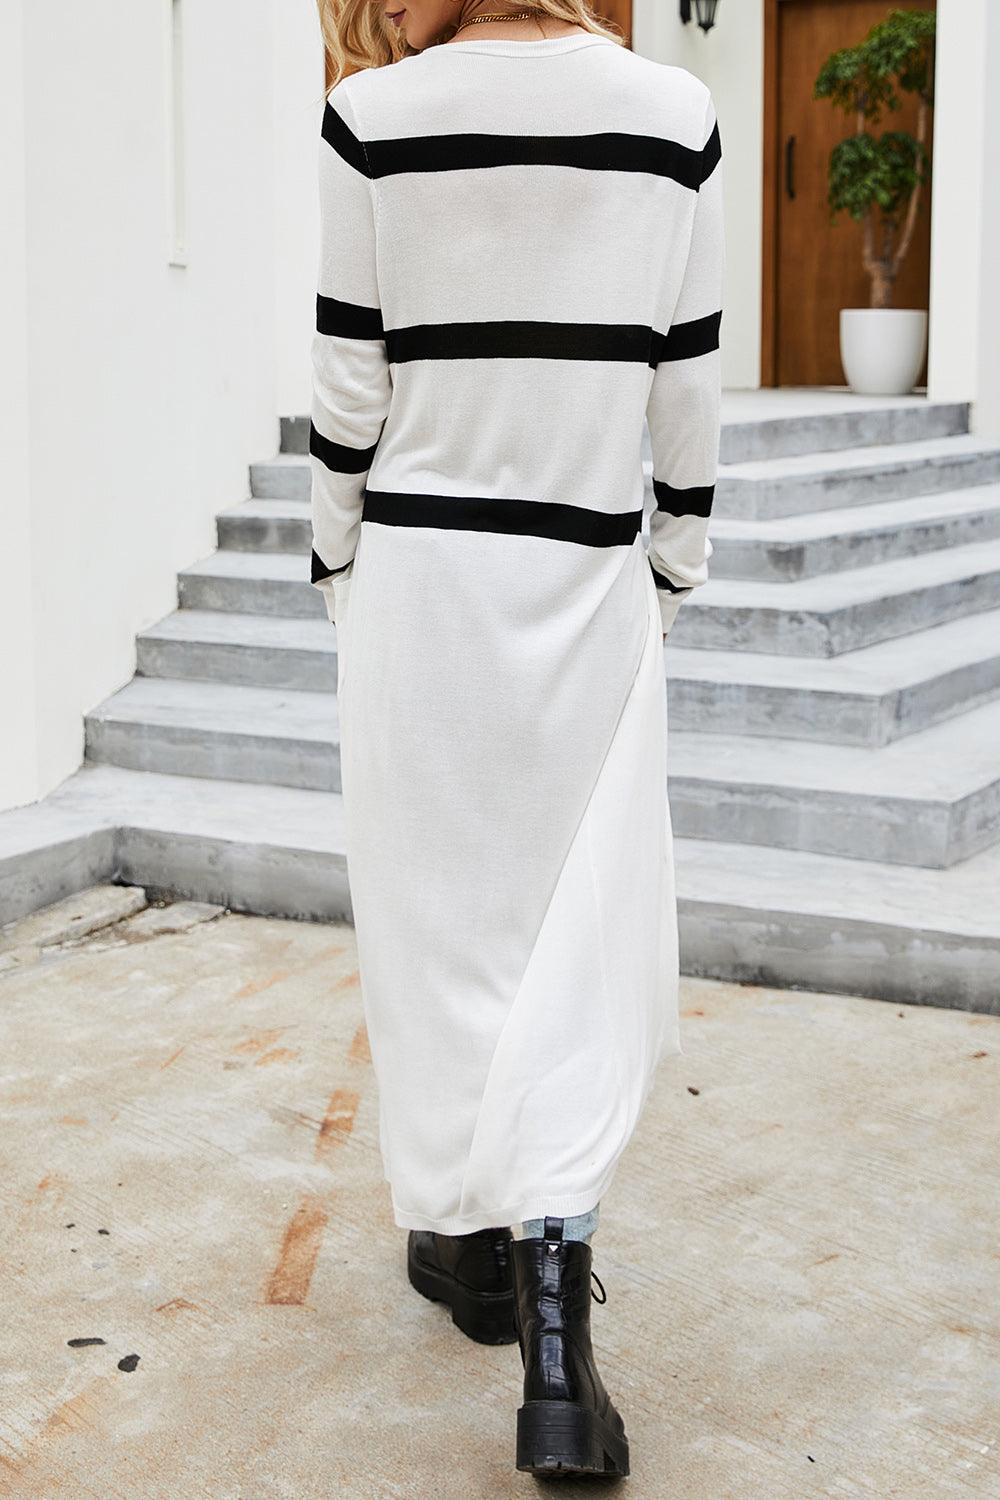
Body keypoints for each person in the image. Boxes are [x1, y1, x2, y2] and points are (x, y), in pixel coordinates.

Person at [309, 0, 724, 1479]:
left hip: (423, 581)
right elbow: (685, 382)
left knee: (441, 935)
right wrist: (673, 563)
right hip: (584, 580)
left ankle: (473, 1251)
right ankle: (556, 1353)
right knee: (576, 947)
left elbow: (349, 380)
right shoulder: (673, 118)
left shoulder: (373, 119)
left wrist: (339, 560)